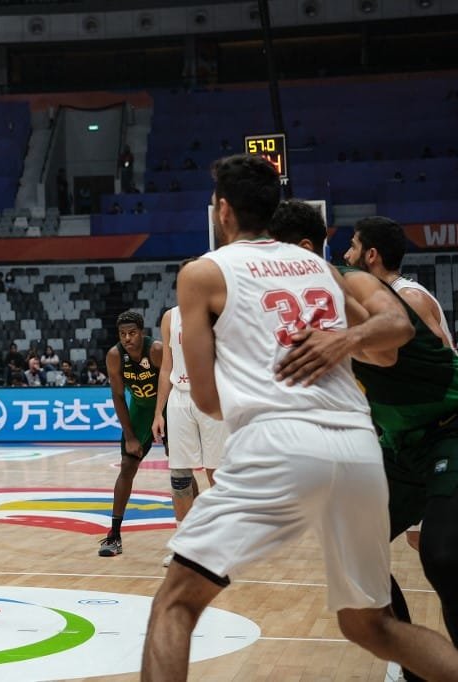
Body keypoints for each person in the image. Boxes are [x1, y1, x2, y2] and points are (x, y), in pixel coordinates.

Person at [141, 154, 458, 681]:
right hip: (358, 448)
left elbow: (207, 399)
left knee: (175, 604)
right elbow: (389, 345)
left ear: (223, 211)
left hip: (278, 443)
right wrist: (342, 343)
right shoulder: (323, 269)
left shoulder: (202, 273)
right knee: (372, 626)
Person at [272, 199, 458, 681]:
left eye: (353, 246)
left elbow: (402, 350)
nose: (348, 253)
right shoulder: (318, 302)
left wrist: (342, 342)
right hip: (402, 440)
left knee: (441, 554)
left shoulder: (387, 291)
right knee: (351, 548)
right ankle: (416, 664)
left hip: (447, 427)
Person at [151, 270, 230, 567]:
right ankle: (183, 546)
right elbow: (165, 367)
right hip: (179, 399)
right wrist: (159, 412)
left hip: (212, 396)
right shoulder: (170, 317)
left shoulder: (219, 313)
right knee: (179, 476)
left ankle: (221, 543)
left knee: (216, 474)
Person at [99, 310, 162, 557]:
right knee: (127, 465)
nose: (127, 338)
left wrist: (162, 415)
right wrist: (131, 436)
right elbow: (118, 395)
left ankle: (193, 534)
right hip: (141, 409)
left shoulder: (155, 350)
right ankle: (114, 535)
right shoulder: (115, 356)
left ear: (142, 333)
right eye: (122, 334)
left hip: (166, 406)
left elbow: (170, 382)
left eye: (132, 333)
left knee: (181, 469)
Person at [344, 216, 455, 350]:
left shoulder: (410, 299)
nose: (346, 255)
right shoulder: (385, 295)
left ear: (371, 255)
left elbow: (444, 356)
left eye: (353, 247)